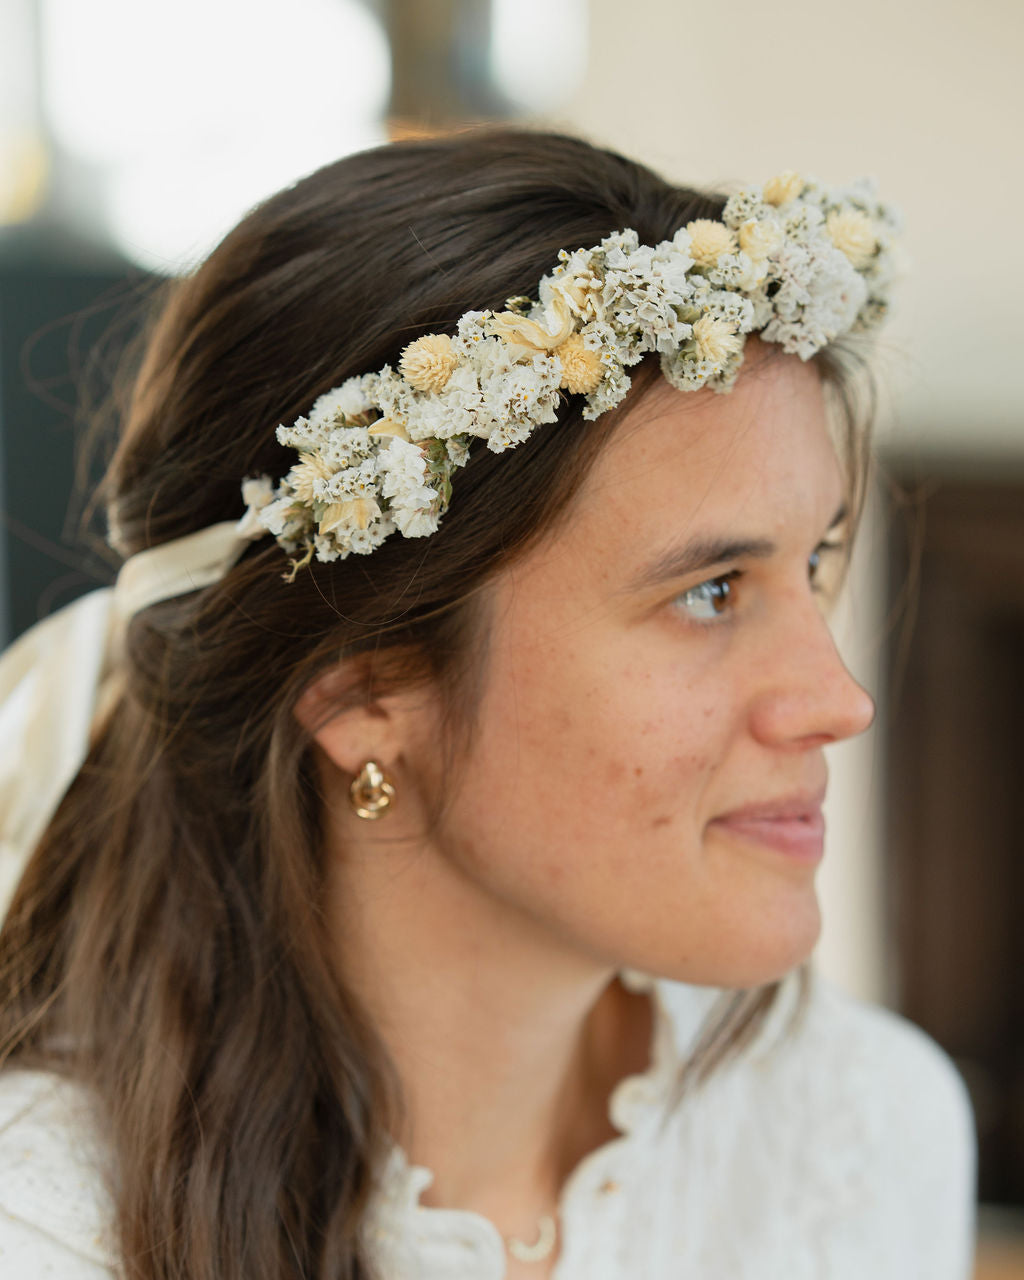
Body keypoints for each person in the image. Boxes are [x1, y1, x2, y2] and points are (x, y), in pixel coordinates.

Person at [0, 129, 974, 1279]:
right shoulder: (52, 1233)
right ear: (362, 686)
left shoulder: (860, 1129)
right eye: (710, 590)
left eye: (811, 563)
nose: (839, 700)